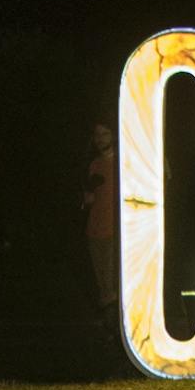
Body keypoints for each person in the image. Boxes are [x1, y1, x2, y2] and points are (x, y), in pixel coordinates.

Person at [80, 121, 117, 326]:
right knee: (101, 282)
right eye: (97, 135)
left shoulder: (121, 163)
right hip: (94, 228)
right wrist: (88, 195)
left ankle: (114, 327)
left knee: (112, 281)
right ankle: (108, 326)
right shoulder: (94, 164)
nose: (100, 139)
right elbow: (89, 199)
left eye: (105, 134)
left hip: (113, 229)